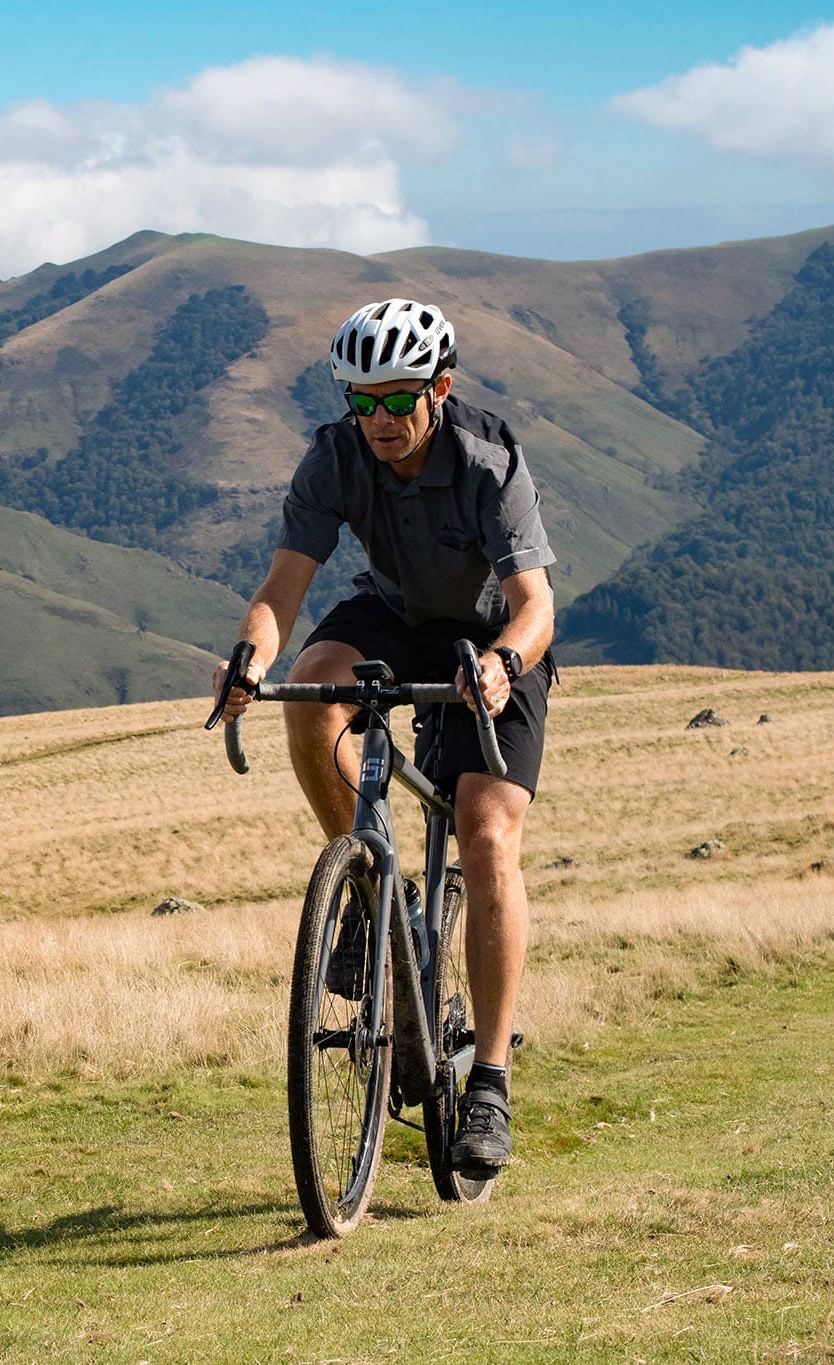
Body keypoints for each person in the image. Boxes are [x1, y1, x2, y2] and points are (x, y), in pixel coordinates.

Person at [211, 298, 555, 1179]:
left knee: (484, 835)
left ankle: (489, 1079)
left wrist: (503, 665)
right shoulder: (333, 457)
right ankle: (368, 893)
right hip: (397, 616)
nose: (381, 420)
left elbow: (534, 605)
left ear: (439, 388)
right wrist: (250, 656)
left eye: (399, 398)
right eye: (362, 401)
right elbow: (284, 588)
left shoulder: (489, 457)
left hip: (490, 640)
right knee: (313, 688)